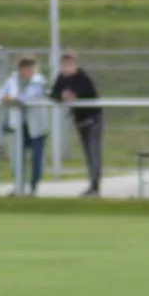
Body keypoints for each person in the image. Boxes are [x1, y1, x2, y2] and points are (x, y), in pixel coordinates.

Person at [48, 51, 104, 196]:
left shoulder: (83, 77)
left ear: (75, 64)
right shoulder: (61, 77)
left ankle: (95, 186)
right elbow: (54, 94)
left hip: (93, 119)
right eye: (64, 64)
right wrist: (61, 96)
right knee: (87, 153)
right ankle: (92, 186)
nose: (67, 67)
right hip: (80, 121)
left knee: (93, 152)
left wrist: (72, 95)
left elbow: (82, 93)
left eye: (70, 63)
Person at [0, 55, 49, 194]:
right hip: (18, 125)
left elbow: (27, 97)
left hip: (36, 127)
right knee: (17, 158)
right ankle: (19, 187)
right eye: (27, 69)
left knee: (36, 159)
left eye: (32, 69)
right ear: (21, 69)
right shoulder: (12, 80)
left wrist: (11, 100)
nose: (30, 71)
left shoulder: (39, 81)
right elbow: (0, 96)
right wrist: (6, 99)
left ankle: (33, 186)